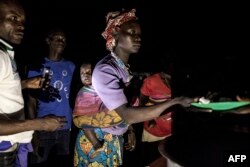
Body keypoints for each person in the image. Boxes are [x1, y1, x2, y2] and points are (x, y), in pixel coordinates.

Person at [73, 9, 195, 166]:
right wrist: (174, 102)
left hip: (112, 137)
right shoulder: (106, 70)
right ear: (116, 32)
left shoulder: (122, 68)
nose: (138, 38)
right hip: (97, 140)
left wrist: (128, 129)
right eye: (131, 32)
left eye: (139, 34)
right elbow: (126, 114)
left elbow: (122, 108)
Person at [0, 0, 66, 166]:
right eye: (13, 18)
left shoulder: (6, 54)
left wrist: (24, 84)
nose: (21, 25)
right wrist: (40, 123)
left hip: (13, 145)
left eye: (22, 21)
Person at [27, 28, 75, 166]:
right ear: (48, 41)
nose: (61, 41)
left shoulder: (71, 66)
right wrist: (34, 132)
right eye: (57, 38)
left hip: (66, 128)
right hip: (43, 127)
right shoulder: (37, 66)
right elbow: (31, 102)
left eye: (64, 39)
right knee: (39, 162)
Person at [138, 71, 173, 166]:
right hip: (153, 132)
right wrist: (151, 118)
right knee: (151, 161)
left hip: (171, 131)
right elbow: (141, 104)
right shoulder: (152, 81)